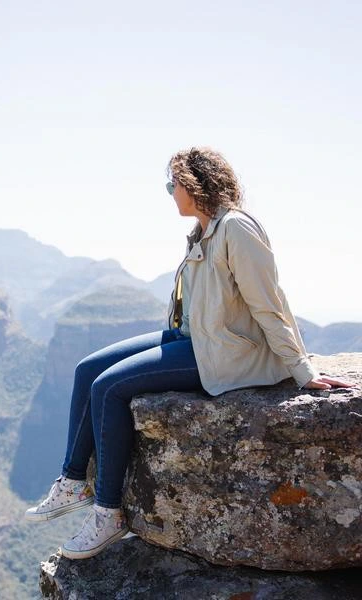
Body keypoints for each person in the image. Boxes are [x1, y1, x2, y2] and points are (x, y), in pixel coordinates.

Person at [24, 147, 357, 560]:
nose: (171, 193)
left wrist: (301, 369)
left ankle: (108, 513)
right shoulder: (206, 229)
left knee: (109, 388)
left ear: (195, 185)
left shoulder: (236, 229)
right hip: (193, 339)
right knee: (87, 367)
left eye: (173, 185)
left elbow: (268, 304)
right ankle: (73, 481)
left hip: (226, 354)